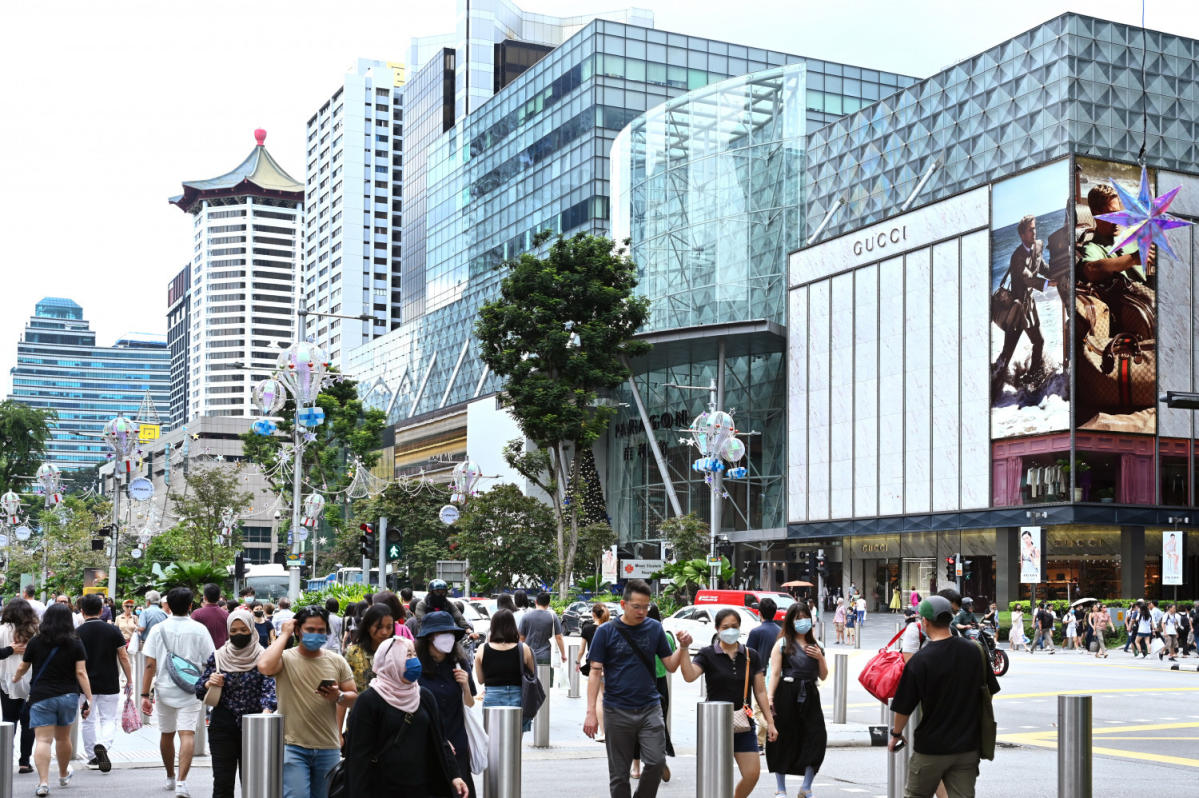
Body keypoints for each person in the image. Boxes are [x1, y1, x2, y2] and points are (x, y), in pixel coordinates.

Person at [583, 580, 692, 798]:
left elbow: (670, 665)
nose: (642, 611)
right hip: (616, 710)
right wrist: (591, 713)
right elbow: (594, 673)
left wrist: (683, 647)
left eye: (646, 606)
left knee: (656, 761)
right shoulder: (605, 632)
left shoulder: (654, 628)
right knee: (619, 774)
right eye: (637, 607)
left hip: (649, 708)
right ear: (623, 604)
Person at [888, 596, 1001, 798]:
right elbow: (988, 691)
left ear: (925, 622)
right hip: (967, 748)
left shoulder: (920, 660)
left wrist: (896, 734)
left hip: (931, 748)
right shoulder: (975, 651)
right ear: (950, 619)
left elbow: (904, 706)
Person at [345, 635, 469, 797]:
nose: (413, 661)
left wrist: (455, 775)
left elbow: (440, 740)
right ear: (390, 660)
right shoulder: (369, 701)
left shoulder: (423, 696)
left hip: (423, 789)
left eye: (414, 655)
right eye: (407, 655)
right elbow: (358, 758)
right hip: (382, 789)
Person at [258, 604, 357, 798]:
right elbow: (264, 666)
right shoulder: (285, 658)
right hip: (292, 746)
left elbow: (354, 698)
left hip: (328, 746)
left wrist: (338, 696)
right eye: (310, 630)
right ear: (298, 630)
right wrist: (284, 635)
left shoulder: (336, 661)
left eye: (321, 630)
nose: (316, 634)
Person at [680, 607, 776, 798]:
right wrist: (683, 648)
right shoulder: (707, 654)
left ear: (740, 628)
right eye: (725, 627)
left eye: (734, 626)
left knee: (752, 774)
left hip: (743, 722)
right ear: (717, 629)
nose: (730, 630)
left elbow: (760, 691)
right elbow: (689, 675)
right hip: (714, 725)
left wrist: (770, 722)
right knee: (714, 778)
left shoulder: (751, 655)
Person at [194, 609, 277, 798]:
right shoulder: (218, 656)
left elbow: (270, 689)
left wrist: (266, 712)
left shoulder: (263, 657)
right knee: (222, 782)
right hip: (223, 725)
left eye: (243, 630)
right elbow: (199, 689)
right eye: (234, 631)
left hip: (255, 725)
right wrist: (209, 682)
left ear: (252, 629)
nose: (239, 634)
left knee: (252, 783)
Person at [141, 587, 215, 798]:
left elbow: (149, 665)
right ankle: (182, 783)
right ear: (190, 605)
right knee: (187, 733)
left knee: (167, 733)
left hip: (164, 689)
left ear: (168, 606)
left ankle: (170, 777)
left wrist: (144, 695)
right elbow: (210, 660)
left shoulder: (158, 629)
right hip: (192, 689)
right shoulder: (199, 629)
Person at [14, 603, 93, 797]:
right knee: (63, 738)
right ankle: (64, 774)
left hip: (41, 696)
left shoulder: (36, 641)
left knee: (43, 739)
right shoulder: (75, 641)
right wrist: (89, 698)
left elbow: (23, 666)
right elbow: (81, 672)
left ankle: (43, 783)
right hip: (67, 695)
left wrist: (15, 678)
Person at [766, 602, 828, 798]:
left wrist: (820, 658)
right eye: (797, 618)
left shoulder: (817, 645)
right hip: (787, 692)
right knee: (783, 739)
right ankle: (780, 789)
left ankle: (807, 786)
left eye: (805, 618)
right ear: (790, 622)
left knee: (816, 738)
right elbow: (775, 673)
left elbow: (824, 675)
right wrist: (770, 698)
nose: (802, 622)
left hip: (810, 693)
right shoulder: (782, 644)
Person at [415, 611, 477, 798]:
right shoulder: (416, 667)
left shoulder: (460, 663)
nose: (448, 637)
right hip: (427, 742)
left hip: (457, 740)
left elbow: (469, 703)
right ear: (429, 638)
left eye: (451, 633)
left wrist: (465, 685)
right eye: (442, 633)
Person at [991, 214, 1051, 398]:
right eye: (1030, 230)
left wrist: (1057, 274)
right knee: (1008, 352)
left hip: (1029, 307)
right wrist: (1047, 285)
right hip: (1016, 311)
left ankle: (1032, 378)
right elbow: (1027, 278)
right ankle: (992, 387)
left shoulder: (1038, 246)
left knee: (1038, 341)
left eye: (1035, 228)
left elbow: (1042, 268)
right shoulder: (1017, 256)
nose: (1034, 232)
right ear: (1022, 235)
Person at [75, 593, 131, 773]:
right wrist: (129, 679)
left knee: (88, 720)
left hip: (85, 685)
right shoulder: (113, 630)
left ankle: (92, 756)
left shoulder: (77, 633)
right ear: (101, 610)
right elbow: (123, 656)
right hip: (109, 681)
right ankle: (104, 746)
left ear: (82, 611)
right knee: (108, 719)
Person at [630, 605, 676, 782]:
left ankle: (635, 767)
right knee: (659, 723)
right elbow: (670, 661)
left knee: (636, 725)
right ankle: (658, 759)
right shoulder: (667, 636)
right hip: (661, 684)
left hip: (640, 684)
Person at [475, 608, 535, 733]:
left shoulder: (482, 649)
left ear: (493, 627)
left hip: (492, 696)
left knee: (492, 740)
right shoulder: (523, 648)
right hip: (517, 697)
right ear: (513, 626)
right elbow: (532, 674)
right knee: (514, 741)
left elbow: (480, 680)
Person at [0, 598, 38, 774]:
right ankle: (24, 762)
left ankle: (5, 760)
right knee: (28, 722)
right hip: (30, 680)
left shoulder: (1, 630)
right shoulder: (34, 631)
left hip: (6, 680)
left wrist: (9, 650)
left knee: (9, 721)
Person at [747, 597, 781, 750]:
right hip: (777, 676)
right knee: (769, 708)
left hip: (760, 677)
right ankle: (761, 743)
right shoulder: (780, 632)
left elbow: (748, 656)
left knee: (759, 710)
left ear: (759, 612)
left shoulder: (756, 632)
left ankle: (773, 730)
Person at [344, 604, 395, 695]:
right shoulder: (354, 653)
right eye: (379, 627)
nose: (384, 632)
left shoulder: (397, 652)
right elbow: (346, 689)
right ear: (368, 627)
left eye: (389, 627)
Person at [519, 591, 566, 683]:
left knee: (529, 682)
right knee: (545, 684)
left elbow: (521, 638)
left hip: (529, 656)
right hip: (545, 656)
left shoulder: (526, 616)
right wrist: (563, 654)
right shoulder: (553, 617)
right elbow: (559, 637)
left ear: (536, 602)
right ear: (548, 603)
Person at [578, 602, 610, 741]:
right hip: (610, 668)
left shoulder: (587, 629)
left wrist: (577, 661)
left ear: (593, 614)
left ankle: (604, 732)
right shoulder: (609, 628)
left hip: (596, 667)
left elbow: (581, 650)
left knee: (599, 699)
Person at [192, 583, 229, 649]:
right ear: (219, 597)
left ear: (204, 597)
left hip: (203, 654)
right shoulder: (226, 614)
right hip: (221, 654)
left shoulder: (196, 614)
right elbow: (228, 637)